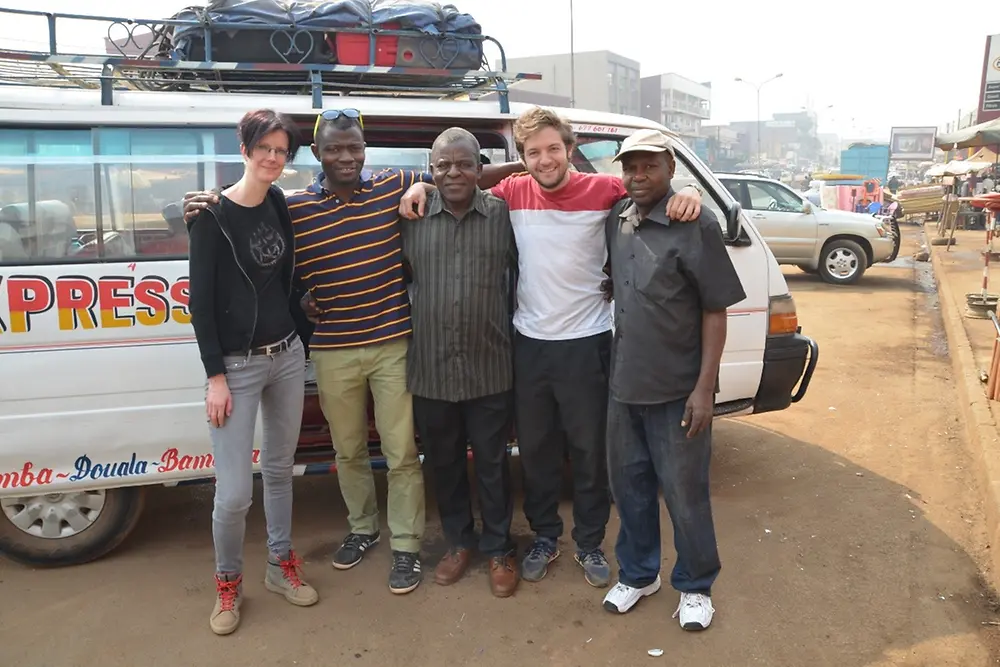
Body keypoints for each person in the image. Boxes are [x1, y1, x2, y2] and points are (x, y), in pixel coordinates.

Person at [184, 108, 518, 595]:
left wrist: (521, 166)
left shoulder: (392, 185)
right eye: (335, 148)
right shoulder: (291, 205)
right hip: (334, 348)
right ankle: (363, 528)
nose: (346, 157)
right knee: (349, 450)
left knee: (403, 452)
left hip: (392, 344)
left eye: (355, 148)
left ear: (366, 151)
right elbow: (250, 216)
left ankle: (405, 545)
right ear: (317, 154)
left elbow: (458, 172)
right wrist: (203, 203)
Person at [400, 107, 703, 589]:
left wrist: (691, 190)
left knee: (587, 453)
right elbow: (462, 183)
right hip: (527, 343)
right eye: (533, 153)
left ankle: (587, 543)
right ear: (522, 159)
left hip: (587, 344)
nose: (545, 160)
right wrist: (426, 185)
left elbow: (652, 188)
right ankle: (544, 536)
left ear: (570, 149)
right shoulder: (511, 194)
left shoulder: (604, 189)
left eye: (553, 149)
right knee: (537, 453)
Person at [598, 129, 746, 631]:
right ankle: (640, 574)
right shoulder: (616, 219)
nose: (638, 176)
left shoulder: (695, 223)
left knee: (685, 494)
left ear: (669, 170)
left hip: (678, 391)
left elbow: (715, 311)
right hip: (624, 388)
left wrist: (705, 388)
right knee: (630, 489)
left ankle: (696, 583)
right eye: (630, 167)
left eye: (649, 167)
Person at [187, 109, 318, 636]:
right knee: (236, 491)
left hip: (285, 356)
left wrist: (303, 321)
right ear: (244, 150)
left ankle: (279, 566)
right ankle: (227, 581)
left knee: (283, 470)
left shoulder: (279, 203)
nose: (273, 158)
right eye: (264, 147)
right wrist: (214, 376)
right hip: (235, 370)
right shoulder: (211, 217)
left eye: (282, 151)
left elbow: (281, 280)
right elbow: (200, 302)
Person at [403, 128, 519, 597]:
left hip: (489, 365)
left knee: (493, 464)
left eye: (464, 164)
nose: (453, 173)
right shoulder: (408, 216)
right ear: (430, 169)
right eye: (442, 166)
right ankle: (457, 543)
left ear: (479, 167)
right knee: (445, 464)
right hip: (430, 367)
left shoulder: (503, 216)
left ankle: (499, 549)